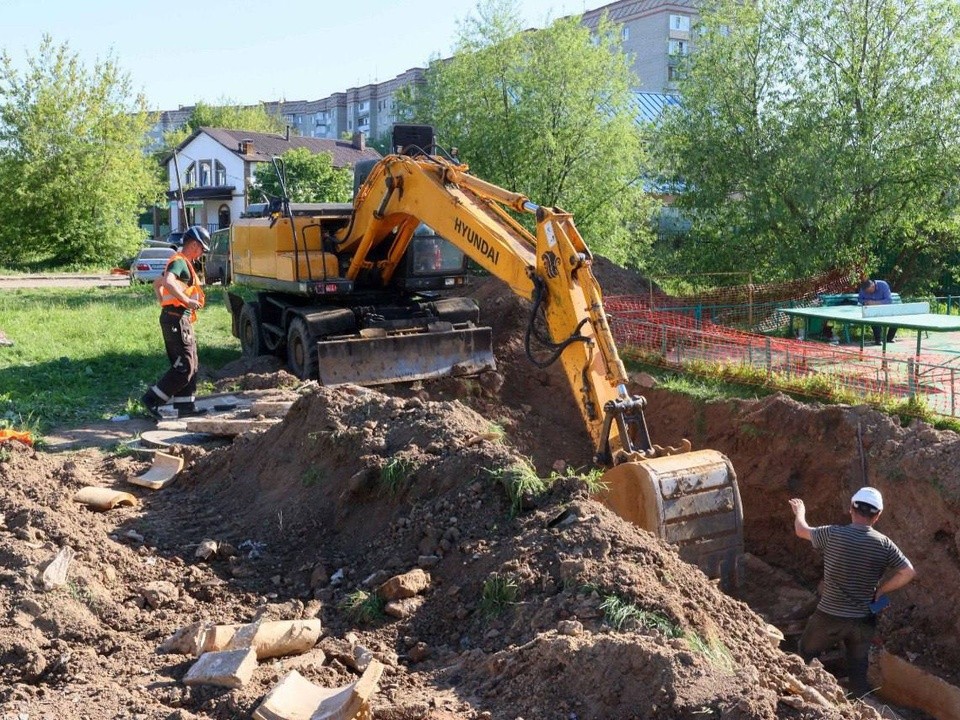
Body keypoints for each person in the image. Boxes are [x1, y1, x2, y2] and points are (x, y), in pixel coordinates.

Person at [788, 487, 916, 698]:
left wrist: (800, 511)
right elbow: (908, 572)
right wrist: (881, 590)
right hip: (863, 620)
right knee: (858, 668)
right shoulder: (884, 544)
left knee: (805, 653)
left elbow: (801, 530)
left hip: (829, 616)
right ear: (877, 516)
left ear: (851, 509)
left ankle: (804, 698)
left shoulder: (833, 534)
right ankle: (859, 707)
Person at [141, 225, 210, 420]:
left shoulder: (183, 263)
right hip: (176, 319)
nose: (201, 253)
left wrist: (163, 301)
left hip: (178, 318)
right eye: (202, 249)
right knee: (185, 365)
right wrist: (186, 301)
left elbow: (158, 283)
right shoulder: (179, 261)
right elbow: (168, 282)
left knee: (192, 364)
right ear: (194, 244)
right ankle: (151, 399)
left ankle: (185, 405)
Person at [858, 279, 897, 345]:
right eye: (866, 292)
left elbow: (889, 300)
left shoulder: (883, 285)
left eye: (869, 291)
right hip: (870, 310)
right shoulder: (863, 288)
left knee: (896, 319)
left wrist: (875, 303)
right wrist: (865, 302)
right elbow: (860, 299)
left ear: (873, 286)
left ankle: (889, 338)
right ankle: (878, 340)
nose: (868, 293)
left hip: (885, 308)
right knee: (873, 318)